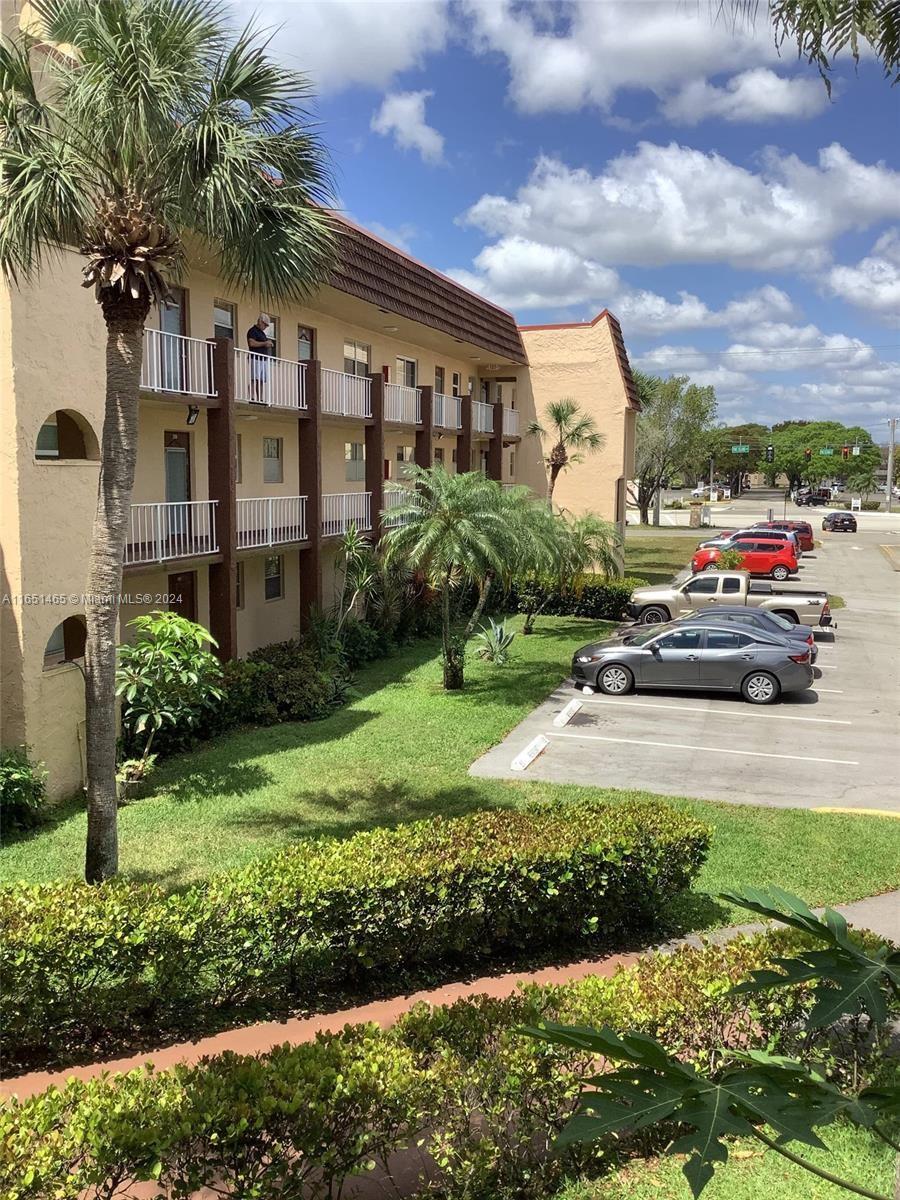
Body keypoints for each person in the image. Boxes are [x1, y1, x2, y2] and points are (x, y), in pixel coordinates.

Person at [247, 313, 273, 402]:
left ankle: (260, 399)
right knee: (254, 378)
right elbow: (252, 343)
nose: (265, 327)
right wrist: (264, 343)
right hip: (255, 358)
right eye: (265, 324)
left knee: (261, 380)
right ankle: (252, 397)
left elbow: (263, 343)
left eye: (267, 325)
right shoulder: (252, 331)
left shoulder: (262, 333)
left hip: (263, 359)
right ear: (260, 321)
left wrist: (268, 344)